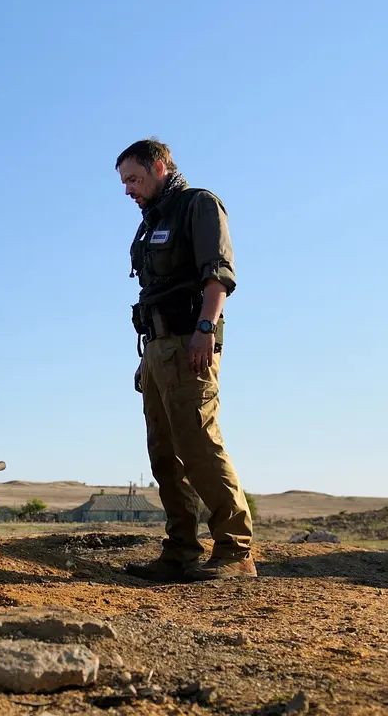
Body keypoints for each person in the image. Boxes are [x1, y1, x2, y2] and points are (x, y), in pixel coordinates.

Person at [116, 138, 255, 582]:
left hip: (190, 340)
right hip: (158, 347)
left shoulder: (199, 205)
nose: (128, 190)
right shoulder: (152, 220)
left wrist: (204, 331)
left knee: (198, 443)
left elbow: (218, 274)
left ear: (160, 167)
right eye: (124, 182)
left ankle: (235, 551)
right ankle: (180, 551)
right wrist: (148, 356)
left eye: (134, 179)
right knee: (163, 453)